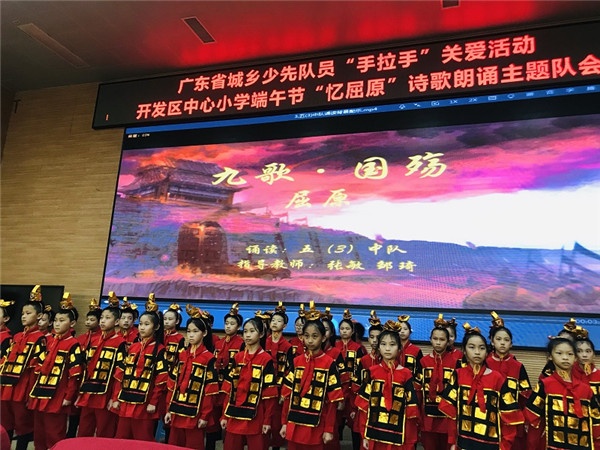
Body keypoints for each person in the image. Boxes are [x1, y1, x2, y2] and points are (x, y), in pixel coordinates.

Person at [439, 323, 524, 450]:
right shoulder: (458, 375)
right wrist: (452, 441)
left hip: (491, 445)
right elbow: (452, 413)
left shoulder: (497, 378)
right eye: (472, 347)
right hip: (463, 442)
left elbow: (508, 416)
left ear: (487, 352)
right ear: (464, 351)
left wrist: (505, 445)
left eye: (482, 348)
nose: (477, 352)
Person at [280, 304, 344, 450]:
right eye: (306, 336)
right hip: (294, 421)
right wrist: (284, 422)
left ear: (323, 338)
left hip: (317, 423)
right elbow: (288, 395)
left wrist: (329, 429)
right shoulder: (297, 361)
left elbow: (332, 401)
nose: (310, 340)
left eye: (315, 336)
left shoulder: (329, 363)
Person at [524, 336, 600, 450]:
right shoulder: (545, 385)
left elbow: (596, 424)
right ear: (550, 356)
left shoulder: (586, 390)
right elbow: (533, 421)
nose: (565, 357)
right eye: (559, 353)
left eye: (570, 354)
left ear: (575, 358)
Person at [29, 293, 84, 450]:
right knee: (39, 433)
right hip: (40, 391)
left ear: (72, 323)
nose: (57, 324)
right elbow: (38, 366)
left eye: (62, 321)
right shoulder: (48, 341)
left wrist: (68, 396)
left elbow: (75, 373)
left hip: (58, 394)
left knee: (54, 433)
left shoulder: (73, 344)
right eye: (56, 321)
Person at [355, 319, 420, 450]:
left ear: (399, 348)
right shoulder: (372, 372)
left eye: (392, 344)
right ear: (379, 347)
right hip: (374, 432)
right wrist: (364, 434)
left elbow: (410, 411)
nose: (388, 348)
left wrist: (409, 440)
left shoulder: (406, 374)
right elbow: (364, 406)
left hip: (398, 435)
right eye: (383, 344)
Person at [112, 293, 168, 441]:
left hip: (145, 403)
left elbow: (161, 380)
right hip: (126, 400)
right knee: (121, 438)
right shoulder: (133, 347)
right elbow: (120, 373)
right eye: (141, 324)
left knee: (142, 439)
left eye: (147, 324)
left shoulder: (160, 350)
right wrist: (116, 397)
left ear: (156, 327)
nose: (142, 327)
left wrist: (153, 402)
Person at [165, 305, 219, 450]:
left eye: (195, 331)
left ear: (204, 333)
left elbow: (210, 391)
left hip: (196, 412)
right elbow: (172, 384)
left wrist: (205, 415)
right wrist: (169, 409)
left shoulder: (208, 358)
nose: (191, 335)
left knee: (193, 445)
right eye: (188, 331)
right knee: (174, 445)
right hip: (177, 408)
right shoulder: (182, 355)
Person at [220, 316, 278, 450]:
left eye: (252, 331)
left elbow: (269, 395)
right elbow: (229, 389)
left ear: (261, 334)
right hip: (234, 413)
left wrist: (267, 420)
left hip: (256, 415)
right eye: (245, 331)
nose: (247, 335)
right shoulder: (238, 357)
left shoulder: (266, 359)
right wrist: (224, 415)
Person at [0, 285, 47, 450]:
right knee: (5, 421)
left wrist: (31, 392)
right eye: (22, 313)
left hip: (23, 386)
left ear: (39, 316)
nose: (24, 316)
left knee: (23, 424)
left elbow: (39, 368)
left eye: (28, 313)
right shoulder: (17, 336)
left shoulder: (40, 338)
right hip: (6, 385)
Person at [75, 293, 126, 438]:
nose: (103, 321)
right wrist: (81, 393)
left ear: (117, 322)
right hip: (88, 392)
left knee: (104, 432)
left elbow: (119, 373)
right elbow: (86, 368)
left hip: (105, 393)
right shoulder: (93, 340)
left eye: (107, 318)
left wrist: (115, 398)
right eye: (102, 317)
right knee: (83, 430)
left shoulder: (120, 343)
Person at [486, 312, 532, 450]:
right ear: (492, 341)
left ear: (511, 344)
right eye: (498, 339)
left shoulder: (518, 366)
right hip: (488, 416)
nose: (502, 343)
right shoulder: (485, 363)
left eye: (506, 340)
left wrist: (523, 419)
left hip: (512, 418)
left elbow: (525, 394)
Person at [419, 316, 455, 450]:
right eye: (435, 339)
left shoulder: (455, 363)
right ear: (430, 340)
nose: (438, 342)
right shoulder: (423, 362)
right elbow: (419, 391)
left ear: (448, 341)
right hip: (428, 417)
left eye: (442, 339)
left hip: (447, 418)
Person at [351, 311, 383, 450]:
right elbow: (356, 385)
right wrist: (354, 407)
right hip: (364, 407)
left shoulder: (389, 362)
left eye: (378, 337)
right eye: (371, 337)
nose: (374, 340)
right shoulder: (364, 360)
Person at [336, 309, 367, 450]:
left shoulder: (358, 348)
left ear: (352, 331)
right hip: (338, 390)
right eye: (342, 328)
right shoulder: (335, 346)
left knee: (354, 425)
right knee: (337, 424)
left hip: (353, 391)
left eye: (347, 329)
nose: (344, 331)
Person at [265, 301, 294, 450]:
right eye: (273, 320)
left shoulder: (288, 347)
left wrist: (284, 391)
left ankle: (276, 445)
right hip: (264, 385)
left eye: (279, 321)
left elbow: (290, 369)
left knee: (276, 419)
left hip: (279, 387)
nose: (275, 323)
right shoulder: (264, 342)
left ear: (285, 326)